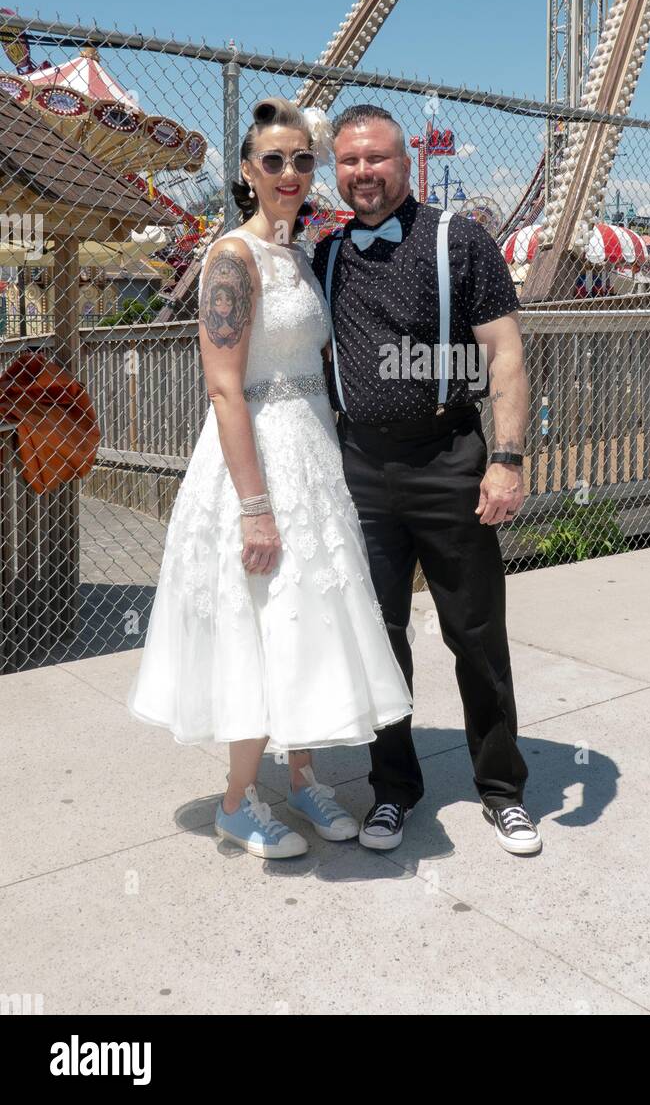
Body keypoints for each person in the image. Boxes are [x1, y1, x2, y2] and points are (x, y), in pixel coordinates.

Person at [128, 98, 413, 858]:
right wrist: (254, 506)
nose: (290, 174)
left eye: (302, 159)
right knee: (260, 617)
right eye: (274, 161)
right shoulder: (233, 257)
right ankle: (235, 800)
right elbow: (224, 387)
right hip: (254, 459)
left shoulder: (299, 254)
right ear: (249, 172)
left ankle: (302, 775)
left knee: (306, 618)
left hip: (312, 452)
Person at [311, 104, 540, 856]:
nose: (363, 173)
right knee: (380, 639)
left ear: (406, 163)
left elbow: (504, 354)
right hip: (361, 471)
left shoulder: (459, 239)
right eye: (348, 161)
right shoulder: (329, 253)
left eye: (376, 158)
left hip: (449, 462)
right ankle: (393, 791)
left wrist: (506, 459)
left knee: (476, 635)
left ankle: (503, 789)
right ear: (334, 169)